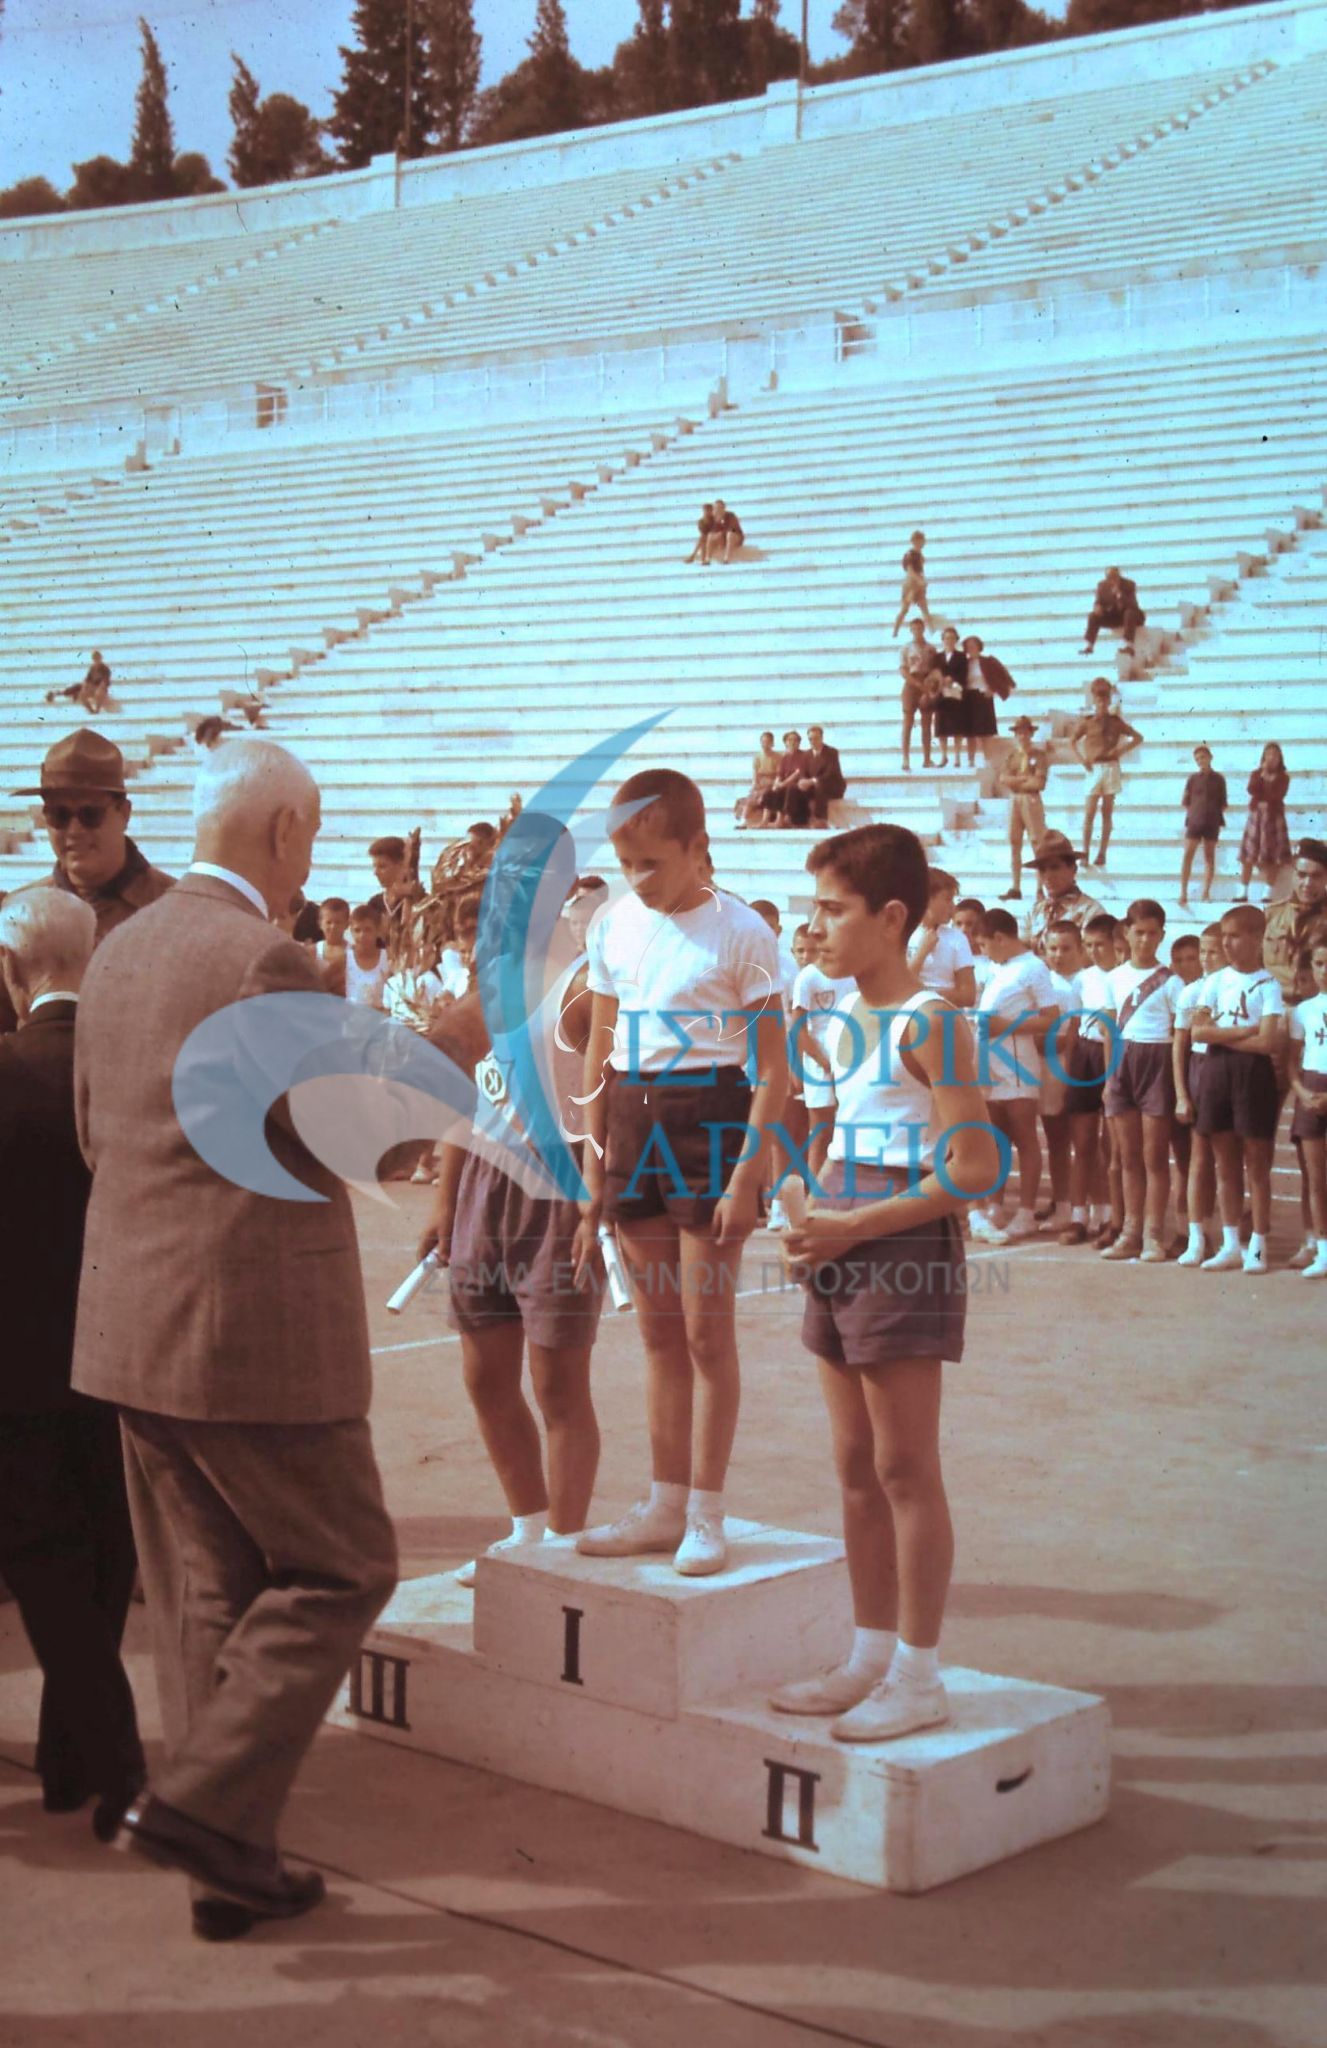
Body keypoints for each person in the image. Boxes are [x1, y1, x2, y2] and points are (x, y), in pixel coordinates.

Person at [74, 738, 398, 1935]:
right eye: (309, 834)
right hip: (251, 1327)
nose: (309, 853)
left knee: (209, 1590)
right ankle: (202, 1805)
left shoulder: (121, 943)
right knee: (341, 1565)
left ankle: (230, 1865)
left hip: (131, 1319)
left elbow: (95, 1135)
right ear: (282, 834)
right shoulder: (269, 954)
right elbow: (358, 1138)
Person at [768, 823, 999, 1741]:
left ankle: (918, 1671)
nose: (814, 928)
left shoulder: (931, 1021)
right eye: (811, 908)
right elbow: (838, 1137)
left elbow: (974, 1169)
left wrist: (856, 1224)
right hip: (840, 1235)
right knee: (854, 1464)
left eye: (832, 909)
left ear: (891, 916)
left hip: (899, 1239)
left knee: (905, 1465)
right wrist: (808, 1200)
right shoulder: (837, 1015)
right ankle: (867, 1654)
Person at [575, 769, 788, 1577]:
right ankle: (662, 1505)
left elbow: (772, 1069)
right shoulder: (610, 925)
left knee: (705, 1332)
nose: (637, 881)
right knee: (657, 1331)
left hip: (712, 1119)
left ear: (700, 848)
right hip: (632, 1116)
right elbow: (601, 1044)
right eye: (625, 865)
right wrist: (596, 1159)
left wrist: (746, 1173)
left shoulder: (742, 934)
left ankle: (705, 1510)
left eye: (652, 864)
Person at [0, 889, 144, 1840]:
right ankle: (70, 1761)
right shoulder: (137, 1074)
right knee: (104, 1558)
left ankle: (113, 1756)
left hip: (16, 1361)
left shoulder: (6, 1072)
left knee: (51, 1565)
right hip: (124, 1354)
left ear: (14, 972)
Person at [420, 844, 604, 1586]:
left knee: (558, 1383)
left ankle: (563, 1546)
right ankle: (526, 1528)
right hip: (480, 1193)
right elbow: (462, 1098)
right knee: (484, 1375)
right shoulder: (486, 985)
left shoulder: (590, 978)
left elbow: (610, 1100)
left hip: (557, 1192)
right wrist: (442, 1199)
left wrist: (600, 1194)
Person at [13, 729, 173, 946]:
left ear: (124, 814)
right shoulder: (17, 915)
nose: (74, 830)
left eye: (91, 814)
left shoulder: (175, 908)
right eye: (59, 815)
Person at [1191, 904, 1285, 1274]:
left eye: (1235, 936)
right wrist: (1246, 1031)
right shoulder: (1215, 981)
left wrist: (1225, 1036)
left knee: (1256, 1163)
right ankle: (1231, 1244)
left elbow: (1268, 1043)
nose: (1227, 944)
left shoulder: (1268, 984)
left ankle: (1259, 1246)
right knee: (1224, 1161)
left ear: (1257, 939)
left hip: (1252, 1074)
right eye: (1224, 936)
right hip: (1216, 1072)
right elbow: (1198, 1031)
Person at [969, 908, 1060, 1245]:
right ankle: (995, 1205)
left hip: (1018, 1064)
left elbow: (1051, 1018)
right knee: (996, 1141)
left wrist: (1006, 1027)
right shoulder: (998, 967)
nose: (982, 951)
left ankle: (1025, 1212)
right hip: (990, 1063)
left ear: (1000, 939)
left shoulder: (1034, 968)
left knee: (1024, 1136)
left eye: (984, 944)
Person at [1100, 899, 1183, 1264]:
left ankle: (1153, 1233)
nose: (1145, 940)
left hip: (1157, 1060)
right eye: (1139, 932)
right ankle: (1131, 1232)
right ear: (1126, 933)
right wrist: (1108, 1078)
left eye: (1152, 934)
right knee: (1129, 1156)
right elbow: (1108, 1033)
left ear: (1162, 936)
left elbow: (1181, 1035)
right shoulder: (1112, 978)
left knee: (1154, 1157)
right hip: (1122, 1064)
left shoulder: (1172, 982)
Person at [1058, 913, 1118, 1247]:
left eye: (1101, 944)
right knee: (1082, 1143)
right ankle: (1078, 1215)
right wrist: (1070, 1061)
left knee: (1112, 1146)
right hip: (1085, 1054)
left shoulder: (1124, 977)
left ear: (1116, 944)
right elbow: (1073, 1023)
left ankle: (1110, 1215)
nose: (1094, 951)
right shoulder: (1083, 978)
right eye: (1090, 945)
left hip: (1115, 1055)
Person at [1174, 922, 1226, 1266]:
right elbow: (1180, 1044)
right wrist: (1181, 1093)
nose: (1206, 959)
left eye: (1212, 951)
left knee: (1234, 1160)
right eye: (1203, 952)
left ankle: (1229, 1234)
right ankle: (1196, 1235)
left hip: (1235, 1070)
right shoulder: (1192, 991)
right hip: (1202, 1071)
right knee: (1200, 1158)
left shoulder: (1242, 986)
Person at [790, 928, 855, 1180]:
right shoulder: (808, 977)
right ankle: (814, 1199)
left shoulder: (850, 972)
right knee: (821, 1132)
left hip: (850, 1058)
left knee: (849, 1129)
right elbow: (798, 1027)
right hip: (820, 1062)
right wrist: (822, 1061)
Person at [1039, 920, 1087, 1235]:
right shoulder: (1044, 982)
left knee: (1085, 1143)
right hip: (1049, 1067)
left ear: (1080, 949)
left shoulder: (1087, 982)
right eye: (1053, 948)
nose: (1058, 955)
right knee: (1056, 1139)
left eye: (1066, 948)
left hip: (1082, 1066)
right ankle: (1062, 1203)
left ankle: (1091, 1208)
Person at [1072, 677, 1143, 868]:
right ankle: (1085, 852)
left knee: (1107, 812)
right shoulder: (1087, 722)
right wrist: (1082, 761)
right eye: (1098, 700)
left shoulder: (1115, 721)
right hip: (1094, 768)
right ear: (1094, 701)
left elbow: (1137, 737)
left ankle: (1102, 852)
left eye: (1105, 700)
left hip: (1111, 767)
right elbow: (1072, 742)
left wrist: (1120, 751)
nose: (1102, 704)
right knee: (1089, 812)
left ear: (1109, 701)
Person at [1287, 938, 1327, 1279]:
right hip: (1311, 1088)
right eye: (1319, 964)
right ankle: (1315, 1243)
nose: (1325, 971)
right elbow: (1292, 1061)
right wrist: (1301, 1091)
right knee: (1313, 1177)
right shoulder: (1304, 1009)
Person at [1021, 832, 1106, 957]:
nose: (1048, 876)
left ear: (1073, 869)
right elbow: (1020, 949)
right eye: (1042, 870)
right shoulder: (1034, 911)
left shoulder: (1091, 911)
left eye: (1055, 867)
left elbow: (1089, 957)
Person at [1263, 838, 1327, 999]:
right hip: (1275, 1008)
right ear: (1293, 874)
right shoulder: (1271, 916)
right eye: (1302, 875)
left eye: (1316, 876)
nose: (1307, 883)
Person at [906, 867, 977, 1009]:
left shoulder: (957, 939)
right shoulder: (901, 935)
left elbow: (968, 996)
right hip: (909, 1017)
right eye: (947, 899)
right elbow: (897, 985)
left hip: (945, 1019)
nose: (953, 907)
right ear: (927, 898)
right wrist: (922, 953)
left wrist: (925, 995)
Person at [997, 716, 1048, 901]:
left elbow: (1039, 782)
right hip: (1015, 799)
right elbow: (1003, 779)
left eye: (1025, 732)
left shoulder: (1039, 756)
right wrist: (1023, 780)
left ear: (1031, 733)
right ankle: (1016, 886)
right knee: (1014, 842)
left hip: (1031, 799)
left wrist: (1017, 781)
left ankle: (1040, 888)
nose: (1022, 736)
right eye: (1019, 733)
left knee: (1037, 842)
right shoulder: (1012, 756)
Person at [1238, 744, 1291, 900]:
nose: (1272, 758)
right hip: (1257, 817)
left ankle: (1267, 892)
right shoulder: (1256, 774)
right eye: (1269, 754)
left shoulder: (1283, 777)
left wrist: (1264, 798)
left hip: (1274, 817)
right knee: (1248, 855)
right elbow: (1251, 790)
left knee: (1274, 856)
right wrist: (1262, 774)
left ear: (1280, 758)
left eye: (1275, 755)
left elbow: (1278, 795)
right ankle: (1243, 891)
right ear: (1264, 757)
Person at [1179, 745, 1228, 909]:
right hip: (1194, 821)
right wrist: (1195, 813)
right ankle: (1183, 892)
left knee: (1209, 857)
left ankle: (1205, 892)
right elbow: (1185, 801)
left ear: (1210, 757)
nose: (1201, 761)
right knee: (1188, 855)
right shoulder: (1192, 779)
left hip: (1212, 821)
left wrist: (1212, 813)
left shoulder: (1219, 779)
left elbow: (1223, 803)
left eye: (1203, 757)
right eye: (1198, 759)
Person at [960, 635, 1015, 766]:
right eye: (968, 647)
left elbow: (1005, 677)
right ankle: (971, 760)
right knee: (970, 733)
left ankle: (988, 760)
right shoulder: (964, 663)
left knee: (986, 732)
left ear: (979, 646)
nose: (971, 649)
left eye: (974, 646)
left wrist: (994, 690)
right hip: (969, 698)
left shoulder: (988, 661)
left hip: (984, 697)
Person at [898, 618, 940, 773]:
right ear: (911, 630)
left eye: (920, 628)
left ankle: (927, 758)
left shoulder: (931, 649)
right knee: (908, 722)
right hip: (911, 684)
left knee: (927, 722)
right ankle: (905, 758)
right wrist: (916, 684)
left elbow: (936, 670)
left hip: (927, 682)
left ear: (923, 629)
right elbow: (903, 670)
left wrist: (927, 688)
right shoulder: (906, 648)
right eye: (914, 628)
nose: (917, 631)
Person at [1080, 567, 1145, 655]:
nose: (1112, 580)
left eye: (1114, 577)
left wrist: (1119, 594)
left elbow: (1132, 605)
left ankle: (1129, 645)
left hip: (1131, 615)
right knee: (1092, 616)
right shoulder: (1102, 586)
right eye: (1109, 578)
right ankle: (1090, 645)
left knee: (1129, 612)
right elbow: (1098, 601)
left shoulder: (1129, 584)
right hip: (1114, 616)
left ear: (1119, 576)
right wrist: (1097, 607)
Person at [795, 725, 847, 829]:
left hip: (832, 786)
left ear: (821, 738)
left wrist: (812, 781)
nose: (813, 741)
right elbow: (802, 772)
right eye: (810, 739)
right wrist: (802, 781)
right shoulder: (806, 755)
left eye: (815, 738)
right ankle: (796, 820)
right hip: (813, 786)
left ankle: (820, 819)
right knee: (793, 789)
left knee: (820, 785)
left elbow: (830, 773)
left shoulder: (831, 752)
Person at [932, 626, 966, 769]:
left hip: (955, 694)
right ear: (943, 640)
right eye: (946, 638)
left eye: (952, 638)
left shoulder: (961, 656)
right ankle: (944, 756)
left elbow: (964, 674)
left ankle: (957, 757)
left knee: (957, 727)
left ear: (956, 640)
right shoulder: (937, 657)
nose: (949, 641)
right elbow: (933, 673)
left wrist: (952, 679)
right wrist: (940, 681)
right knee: (941, 727)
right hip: (941, 695)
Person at [344, 904, 390, 1009]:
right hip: (352, 1020)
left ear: (378, 931)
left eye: (368, 930)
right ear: (351, 931)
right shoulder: (345, 959)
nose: (362, 935)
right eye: (357, 930)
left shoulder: (388, 958)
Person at [761, 731, 809, 827]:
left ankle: (783, 820)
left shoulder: (804, 756)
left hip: (797, 786)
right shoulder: (785, 757)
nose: (792, 742)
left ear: (799, 743)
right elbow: (779, 774)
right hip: (785, 785)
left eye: (795, 740)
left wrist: (782, 784)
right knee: (770, 791)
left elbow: (797, 773)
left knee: (788, 788)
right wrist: (776, 784)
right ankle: (765, 820)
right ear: (785, 742)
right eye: (789, 740)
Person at [736, 732, 781, 828]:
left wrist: (773, 784)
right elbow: (755, 775)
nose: (765, 744)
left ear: (772, 743)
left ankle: (764, 821)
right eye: (763, 741)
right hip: (761, 784)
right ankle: (744, 821)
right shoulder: (757, 757)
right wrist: (754, 786)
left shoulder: (777, 757)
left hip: (771, 784)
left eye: (768, 742)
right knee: (751, 798)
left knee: (765, 796)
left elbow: (779, 775)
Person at [892, 530, 932, 635]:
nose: (923, 543)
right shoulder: (910, 554)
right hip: (911, 583)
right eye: (920, 541)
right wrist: (919, 580)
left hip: (919, 582)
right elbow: (910, 570)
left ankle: (931, 630)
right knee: (905, 609)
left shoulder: (919, 554)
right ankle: (895, 631)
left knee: (924, 608)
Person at [45, 651, 112, 713]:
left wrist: (96, 688)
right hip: (90, 687)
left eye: (97, 659)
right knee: (77, 688)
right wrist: (86, 687)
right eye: (95, 659)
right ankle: (56, 694)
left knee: (96, 693)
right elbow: (87, 680)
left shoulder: (105, 669)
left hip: (100, 689)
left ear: (100, 658)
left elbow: (105, 682)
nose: (96, 661)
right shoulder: (92, 668)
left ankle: (96, 710)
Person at [315, 896, 350, 996]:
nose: (333, 927)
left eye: (338, 922)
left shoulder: (354, 953)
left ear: (347, 924)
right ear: (320, 924)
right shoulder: (312, 952)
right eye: (328, 922)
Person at [704, 499, 745, 565]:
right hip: (722, 540)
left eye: (720, 508)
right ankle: (707, 558)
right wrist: (717, 521)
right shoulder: (712, 519)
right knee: (710, 535)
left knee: (730, 534)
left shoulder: (731, 516)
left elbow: (733, 529)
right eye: (716, 508)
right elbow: (709, 531)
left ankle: (727, 558)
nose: (718, 510)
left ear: (724, 508)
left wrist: (721, 533)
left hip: (735, 538)